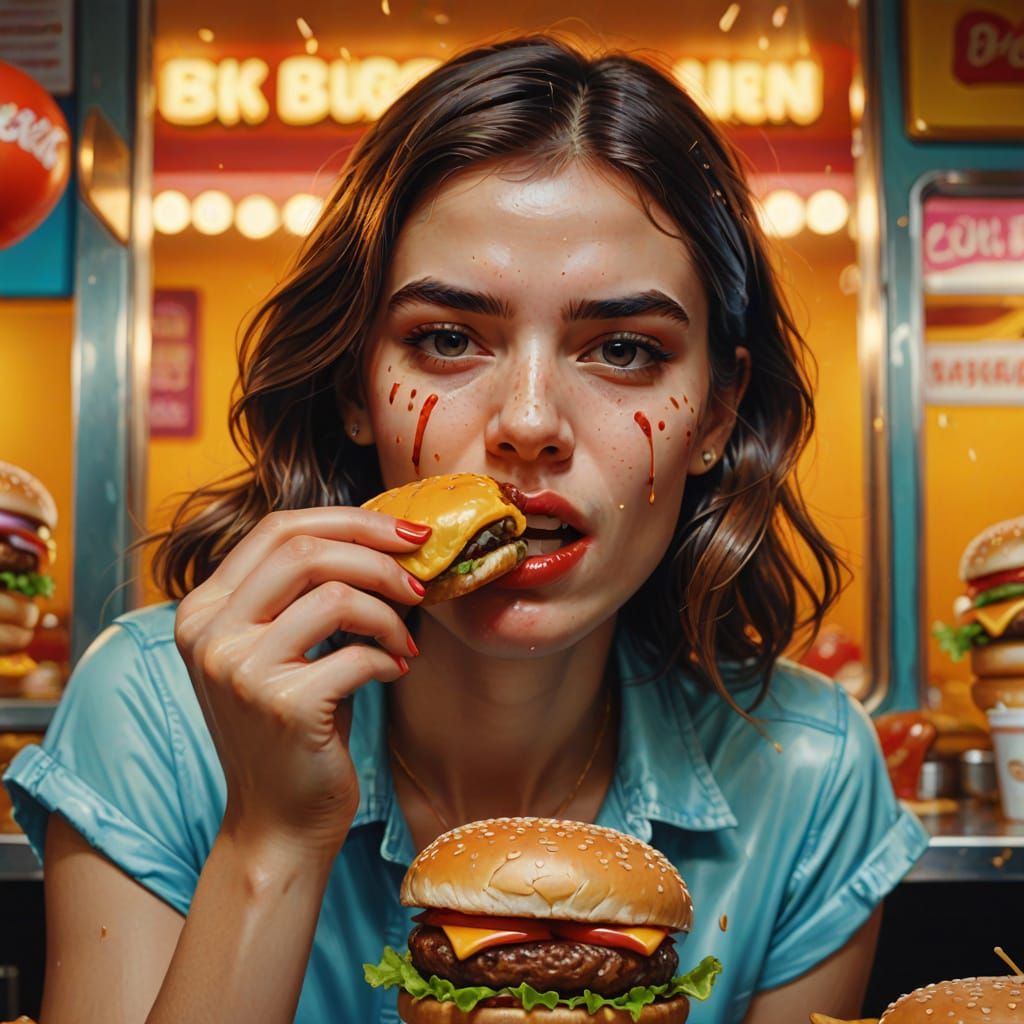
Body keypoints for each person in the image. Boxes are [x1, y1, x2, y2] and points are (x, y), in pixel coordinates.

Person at [2, 34, 929, 1024]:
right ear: (356, 387)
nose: (528, 422)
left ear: (712, 413)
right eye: (446, 339)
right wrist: (269, 839)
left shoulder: (807, 769)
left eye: (621, 349)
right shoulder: (153, 708)